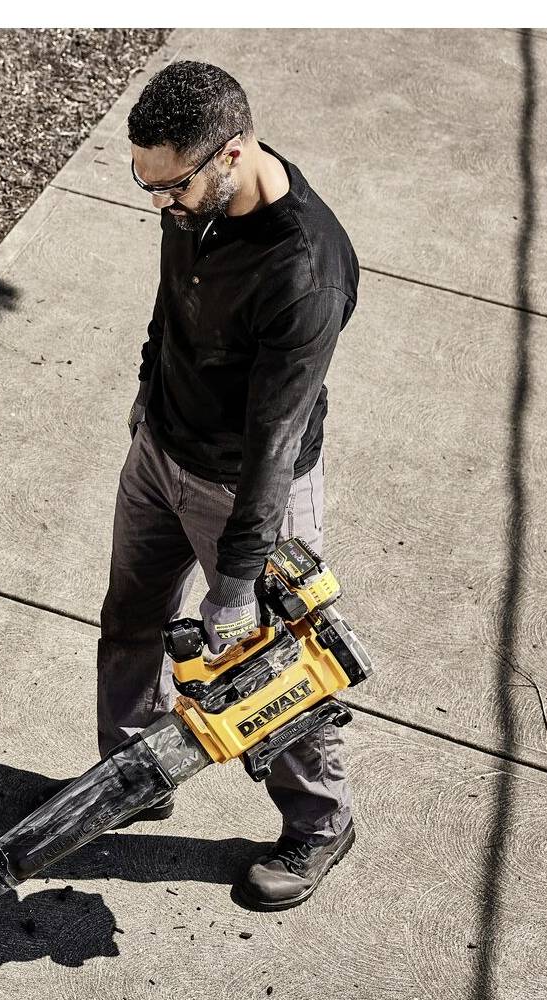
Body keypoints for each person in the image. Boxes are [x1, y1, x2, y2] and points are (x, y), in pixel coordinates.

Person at [100, 60, 361, 910]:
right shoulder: (193, 200)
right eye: (144, 183)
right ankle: (132, 768)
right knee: (130, 619)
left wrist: (241, 582)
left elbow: (275, 439)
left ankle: (320, 822)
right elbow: (169, 307)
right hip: (160, 451)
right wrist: (147, 396)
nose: (156, 204)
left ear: (231, 153)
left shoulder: (306, 271)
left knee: (272, 672)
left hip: (248, 491)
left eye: (167, 186)